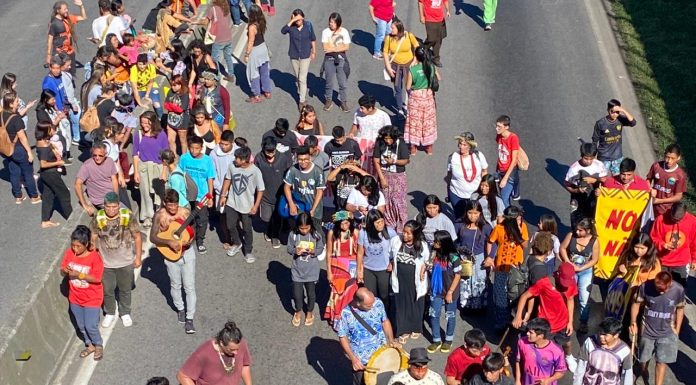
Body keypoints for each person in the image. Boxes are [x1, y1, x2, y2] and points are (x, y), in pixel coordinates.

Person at [90, 192, 142, 328]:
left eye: (114, 207)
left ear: (118, 206)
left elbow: (137, 236)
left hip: (125, 261)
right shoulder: (99, 217)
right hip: (106, 263)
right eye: (108, 207)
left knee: (125, 289)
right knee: (108, 290)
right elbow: (94, 236)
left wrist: (137, 257)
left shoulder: (127, 216)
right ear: (104, 206)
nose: (111, 210)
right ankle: (110, 312)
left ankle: (125, 312)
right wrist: (93, 253)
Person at [150, 189, 198, 334]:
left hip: (187, 254)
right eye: (170, 205)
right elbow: (153, 237)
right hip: (170, 255)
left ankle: (190, 318)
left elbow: (193, 230)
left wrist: (191, 240)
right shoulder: (160, 215)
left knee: (189, 286)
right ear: (165, 203)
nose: (173, 208)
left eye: (175, 205)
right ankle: (180, 308)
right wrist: (168, 242)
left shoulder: (184, 212)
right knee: (175, 284)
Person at [512, 241, 571, 348]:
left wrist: (570, 321)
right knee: (543, 349)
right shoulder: (544, 282)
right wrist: (518, 316)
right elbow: (526, 296)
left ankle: (568, 358)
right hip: (547, 325)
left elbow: (570, 300)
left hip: (563, 323)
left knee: (564, 345)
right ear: (557, 273)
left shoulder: (570, 283)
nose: (565, 285)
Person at [630, 271, 685, 385]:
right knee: (643, 359)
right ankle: (643, 371)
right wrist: (633, 322)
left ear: (670, 284)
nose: (660, 291)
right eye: (658, 288)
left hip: (667, 332)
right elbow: (635, 304)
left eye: (663, 289)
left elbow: (680, 309)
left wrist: (677, 329)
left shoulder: (678, 290)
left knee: (661, 362)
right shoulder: (645, 287)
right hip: (647, 331)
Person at [335, 287, 398, 385]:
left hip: (381, 354)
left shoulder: (377, 303)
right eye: (368, 305)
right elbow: (342, 336)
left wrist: (391, 339)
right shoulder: (346, 314)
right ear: (358, 303)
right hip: (362, 360)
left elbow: (385, 321)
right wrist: (353, 358)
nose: (372, 306)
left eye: (372, 302)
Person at [60, 225, 104, 361]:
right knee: (81, 325)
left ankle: (98, 344)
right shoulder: (69, 254)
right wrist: (65, 271)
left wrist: (79, 275)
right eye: (73, 245)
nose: (75, 249)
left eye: (79, 246)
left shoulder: (94, 257)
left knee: (91, 325)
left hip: (92, 298)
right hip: (75, 298)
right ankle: (89, 344)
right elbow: (62, 270)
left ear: (86, 244)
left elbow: (97, 278)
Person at [484, 205, 528, 331]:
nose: (518, 221)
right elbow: (490, 242)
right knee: (500, 294)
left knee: (515, 293)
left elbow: (525, 244)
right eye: (516, 219)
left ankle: (515, 318)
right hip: (501, 267)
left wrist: (518, 232)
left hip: (516, 268)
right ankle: (501, 321)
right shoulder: (499, 228)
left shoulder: (522, 227)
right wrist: (489, 257)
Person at [220, 147, 265, 263]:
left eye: (237, 158)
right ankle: (237, 243)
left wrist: (255, 206)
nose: (235, 160)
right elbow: (227, 180)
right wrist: (223, 195)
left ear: (245, 160)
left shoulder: (255, 171)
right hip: (232, 203)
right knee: (230, 225)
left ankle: (248, 251)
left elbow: (260, 190)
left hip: (247, 206)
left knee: (247, 229)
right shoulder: (232, 166)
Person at [391, 220, 430, 343]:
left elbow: (428, 260)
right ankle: (404, 330)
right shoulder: (396, 241)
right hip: (400, 278)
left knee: (416, 303)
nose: (405, 235)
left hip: (415, 279)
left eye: (409, 233)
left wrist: (425, 266)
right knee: (402, 304)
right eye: (404, 232)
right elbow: (390, 255)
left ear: (416, 234)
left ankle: (416, 328)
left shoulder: (422, 246)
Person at [177, 321, 253, 385]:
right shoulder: (204, 353)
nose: (236, 352)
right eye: (232, 349)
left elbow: (245, 365)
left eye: (237, 349)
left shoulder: (240, 344)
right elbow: (183, 376)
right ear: (222, 343)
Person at [559, 218, 599, 333]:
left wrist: (581, 268)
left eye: (580, 230)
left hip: (585, 272)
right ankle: (565, 319)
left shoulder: (594, 241)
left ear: (588, 230)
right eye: (577, 230)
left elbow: (594, 259)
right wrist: (568, 262)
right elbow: (562, 248)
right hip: (570, 271)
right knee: (567, 294)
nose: (577, 232)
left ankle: (583, 321)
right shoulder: (571, 235)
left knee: (584, 298)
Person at [179, 136, 216, 253]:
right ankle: (186, 239)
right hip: (187, 195)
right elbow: (179, 175)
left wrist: (210, 196)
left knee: (202, 219)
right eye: (192, 148)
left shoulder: (207, 160)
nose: (194, 151)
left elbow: (210, 178)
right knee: (187, 218)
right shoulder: (184, 158)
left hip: (202, 196)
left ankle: (200, 241)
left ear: (201, 148)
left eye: (197, 148)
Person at [287, 212, 325, 326]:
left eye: (306, 228)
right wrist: (295, 251)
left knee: (311, 294)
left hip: (312, 271)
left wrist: (314, 252)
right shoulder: (293, 235)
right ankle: (298, 311)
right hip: (297, 270)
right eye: (301, 228)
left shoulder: (316, 235)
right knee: (297, 295)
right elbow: (289, 248)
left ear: (311, 225)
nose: (304, 230)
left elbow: (321, 248)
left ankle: (309, 312)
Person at [1, 93, 40, 204]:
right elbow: (22, 138)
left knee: (14, 173)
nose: (19, 103)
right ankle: (34, 196)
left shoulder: (2, 115)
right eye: (17, 101)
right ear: (11, 103)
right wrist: (29, 152)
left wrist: (27, 107)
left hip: (7, 149)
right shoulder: (16, 120)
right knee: (28, 173)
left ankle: (18, 196)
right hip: (19, 149)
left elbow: (16, 114)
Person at [427, 231, 462, 354]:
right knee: (434, 314)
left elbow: (458, 276)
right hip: (436, 290)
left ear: (443, 243)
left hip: (450, 291)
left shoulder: (454, 257)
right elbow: (428, 264)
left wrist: (450, 292)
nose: (434, 243)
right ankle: (436, 340)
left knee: (450, 315)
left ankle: (448, 339)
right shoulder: (434, 253)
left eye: (436, 241)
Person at [255, 136, 293, 248]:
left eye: (273, 151)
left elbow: (289, 174)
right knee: (266, 218)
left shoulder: (283, 158)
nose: (270, 154)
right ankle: (269, 229)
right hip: (265, 195)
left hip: (280, 195)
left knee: (277, 218)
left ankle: (275, 236)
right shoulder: (258, 158)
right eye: (268, 151)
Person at [133, 111, 169, 226]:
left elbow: (166, 155)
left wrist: (164, 171)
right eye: (142, 123)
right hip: (144, 167)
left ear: (153, 122)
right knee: (145, 193)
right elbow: (135, 154)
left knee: (159, 194)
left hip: (158, 167)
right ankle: (148, 216)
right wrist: (136, 172)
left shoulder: (162, 134)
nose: (144, 125)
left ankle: (159, 216)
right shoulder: (138, 134)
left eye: (147, 123)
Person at [573, 317, 633, 385]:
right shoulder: (590, 342)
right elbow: (581, 367)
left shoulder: (624, 351)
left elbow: (627, 376)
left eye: (605, 335)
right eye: (600, 333)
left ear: (616, 335)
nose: (601, 336)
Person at [373, 125, 411, 232]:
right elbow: (376, 161)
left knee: (398, 201)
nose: (388, 141)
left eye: (390, 139)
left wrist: (394, 161)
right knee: (386, 200)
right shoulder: (379, 143)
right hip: (384, 174)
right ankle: (389, 224)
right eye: (386, 139)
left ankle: (402, 225)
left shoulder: (401, 144)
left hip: (398, 175)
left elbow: (406, 160)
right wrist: (381, 178)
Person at [325, 210, 360, 325]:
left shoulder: (355, 232)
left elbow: (360, 253)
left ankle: (350, 318)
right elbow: (329, 253)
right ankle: (337, 317)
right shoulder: (332, 233)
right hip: (337, 266)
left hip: (352, 266)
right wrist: (329, 271)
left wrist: (360, 270)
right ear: (337, 224)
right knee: (337, 293)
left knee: (350, 292)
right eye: (343, 223)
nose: (346, 225)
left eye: (347, 223)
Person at [649, 202, 696, 287]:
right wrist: (663, 245)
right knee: (660, 286)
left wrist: (694, 260)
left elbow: (694, 242)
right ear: (670, 211)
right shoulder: (660, 219)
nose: (676, 221)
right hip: (662, 261)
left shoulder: (693, 221)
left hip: (681, 262)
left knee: (678, 288)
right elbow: (653, 238)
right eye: (673, 219)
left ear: (685, 213)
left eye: (679, 219)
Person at [35, 122, 72, 227]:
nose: (54, 130)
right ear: (46, 131)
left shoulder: (44, 142)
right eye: (52, 129)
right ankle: (72, 218)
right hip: (50, 174)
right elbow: (43, 164)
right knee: (64, 194)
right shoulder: (43, 147)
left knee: (48, 195)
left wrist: (53, 149)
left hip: (47, 174)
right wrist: (58, 163)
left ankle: (45, 220)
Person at [358, 209, 397, 308]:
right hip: (368, 269)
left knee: (384, 296)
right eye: (377, 222)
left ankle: (385, 317)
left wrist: (392, 262)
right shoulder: (363, 233)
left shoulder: (390, 232)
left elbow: (397, 249)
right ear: (371, 224)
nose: (381, 225)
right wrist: (359, 270)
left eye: (382, 221)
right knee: (371, 296)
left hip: (384, 270)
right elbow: (360, 253)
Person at [456, 200, 491, 310]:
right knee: (465, 281)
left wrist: (490, 257)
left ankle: (479, 307)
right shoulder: (459, 224)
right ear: (466, 212)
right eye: (470, 212)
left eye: (476, 213)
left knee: (479, 281)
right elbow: (452, 239)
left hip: (479, 258)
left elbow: (493, 242)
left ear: (480, 213)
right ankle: (466, 306)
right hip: (464, 258)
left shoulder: (485, 227)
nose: (473, 216)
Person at [405, 46, 440, 153]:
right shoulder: (431, 67)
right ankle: (429, 147)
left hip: (416, 98)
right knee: (428, 121)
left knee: (414, 122)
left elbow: (407, 86)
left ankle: (413, 148)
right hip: (428, 96)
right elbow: (439, 78)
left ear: (416, 56)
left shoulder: (413, 70)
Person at [564, 142, 608, 227]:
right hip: (578, 200)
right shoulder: (574, 169)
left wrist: (594, 181)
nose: (588, 161)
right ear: (581, 155)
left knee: (593, 223)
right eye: (586, 158)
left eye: (591, 159)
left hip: (594, 199)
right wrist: (576, 190)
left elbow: (605, 180)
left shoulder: (599, 165)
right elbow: (567, 184)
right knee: (577, 223)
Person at [382, 18, 419, 116]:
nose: (391, 30)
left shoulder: (408, 35)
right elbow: (385, 52)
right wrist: (388, 67)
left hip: (409, 65)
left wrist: (415, 59)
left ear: (399, 28)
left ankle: (411, 106)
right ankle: (399, 109)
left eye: (392, 28)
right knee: (397, 87)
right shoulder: (388, 38)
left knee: (410, 87)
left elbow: (416, 46)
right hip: (395, 66)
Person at [283, 145, 326, 229]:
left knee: (316, 231)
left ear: (310, 157)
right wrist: (291, 204)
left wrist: (313, 209)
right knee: (298, 230)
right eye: (300, 160)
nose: (303, 162)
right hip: (299, 209)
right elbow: (286, 187)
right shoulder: (293, 170)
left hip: (315, 211)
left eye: (305, 159)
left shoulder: (318, 171)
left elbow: (319, 192)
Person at [446, 132, 488, 218]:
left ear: (470, 146)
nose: (461, 147)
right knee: (459, 218)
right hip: (456, 195)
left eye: (464, 145)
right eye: (460, 144)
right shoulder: (453, 157)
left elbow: (484, 171)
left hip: (475, 195)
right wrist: (448, 191)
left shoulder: (478, 155)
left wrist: (485, 189)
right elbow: (449, 175)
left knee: (475, 218)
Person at [281, 9, 317, 110]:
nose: (298, 22)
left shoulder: (308, 26)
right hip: (294, 55)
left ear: (303, 18)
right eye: (296, 20)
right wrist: (292, 21)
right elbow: (283, 31)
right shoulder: (291, 27)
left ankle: (302, 100)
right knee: (298, 77)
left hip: (305, 55)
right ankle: (302, 93)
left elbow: (313, 39)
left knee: (302, 78)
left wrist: (314, 51)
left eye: (299, 20)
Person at [515, 318, 568, 385]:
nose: (527, 333)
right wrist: (517, 380)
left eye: (531, 332)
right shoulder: (522, 342)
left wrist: (549, 380)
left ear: (541, 336)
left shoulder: (556, 351)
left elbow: (561, 371)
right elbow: (518, 361)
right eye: (528, 331)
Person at [592, 99, 637, 175]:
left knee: (618, 179)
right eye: (612, 111)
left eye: (617, 112)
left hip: (617, 157)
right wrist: (594, 155)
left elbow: (633, 123)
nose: (615, 114)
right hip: (604, 157)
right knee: (601, 178)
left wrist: (623, 110)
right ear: (608, 110)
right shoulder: (600, 123)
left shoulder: (620, 119)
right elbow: (595, 139)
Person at [75, 143, 119, 216]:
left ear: (106, 154)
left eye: (100, 155)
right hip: (101, 201)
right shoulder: (87, 166)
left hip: (112, 198)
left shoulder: (110, 161)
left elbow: (114, 180)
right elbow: (77, 185)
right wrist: (85, 205)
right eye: (94, 155)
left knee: (128, 215)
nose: (97, 158)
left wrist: (116, 198)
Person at [647, 143, 687, 218]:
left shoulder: (680, 175)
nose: (669, 161)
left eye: (673, 158)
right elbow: (648, 179)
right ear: (664, 154)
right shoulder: (656, 166)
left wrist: (659, 201)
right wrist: (650, 189)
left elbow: (678, 196)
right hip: (650, 207)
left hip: (666, 211)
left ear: (678, 158)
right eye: (667, 157)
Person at [321, 12, 351, 112]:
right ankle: (328, 100)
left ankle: (343, 102)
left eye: (332, 23)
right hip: (329, 59)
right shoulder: (325, 32)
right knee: (329, 82)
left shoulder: (344, 32)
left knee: (342, 82)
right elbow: (326, 48)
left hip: (341, 59)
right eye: (330, 22)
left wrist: (332, 49)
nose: (330, 24)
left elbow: (346, 47)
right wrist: (338, 48)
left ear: (338, 23)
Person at [46, 0, 86, 73]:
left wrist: (81, 6)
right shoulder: (54, 23)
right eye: (64, 9)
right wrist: (49, 55)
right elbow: (50, 38)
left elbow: (83, 17)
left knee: (71, 73)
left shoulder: (68, 18)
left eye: (67, 8)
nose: (67, 11)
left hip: (70, 52)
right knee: (59, 73)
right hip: (60, 54)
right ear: (58, 10)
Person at [243, 4, 273, 103]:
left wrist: (247, 54)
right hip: (263, 48)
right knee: (264, 72)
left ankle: (257, 95)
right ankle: (267, 91)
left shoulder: (252, 27)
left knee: (254, 73)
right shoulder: (262, 22)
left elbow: (251, 41)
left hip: (255, 51)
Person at [494, 115, 521, 206]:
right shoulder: (499, 137)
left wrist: (505, 178)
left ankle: (507, 218)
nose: (497, 129)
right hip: (500, 170)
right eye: (496, 126)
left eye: (500, 127)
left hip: (509, 174)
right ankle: (510, 215)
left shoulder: (513, 138)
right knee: (504, 196)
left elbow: (514, 160)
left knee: (503, 198)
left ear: (506, 127)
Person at [206, 0, 236, 82]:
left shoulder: (213, 9)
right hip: (228, 36)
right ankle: (231, 75)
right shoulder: (225, 6)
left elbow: (206, 21)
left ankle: (217, 77)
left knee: (214, 59)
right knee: (228, 57)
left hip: (219, 38)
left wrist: (195, 22)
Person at [163, 74, 190, 154]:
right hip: (170, 120)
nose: (172, 87)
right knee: (170, 140)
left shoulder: (185, 95)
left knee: (183, 141)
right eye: (172, 85)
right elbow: (165, 105)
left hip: (182, 122)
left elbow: (181, 109)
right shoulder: (170, 92)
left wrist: (171, 106)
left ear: (180, 84)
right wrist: (173, 107)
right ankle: (173, 157)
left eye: (175, 85)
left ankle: (184, 158)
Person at [418, 0, 449, 67]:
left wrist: (447, 10)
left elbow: (445, 1)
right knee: (431, 38)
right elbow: (420, 2)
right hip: (429, 18)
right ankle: (422, 49)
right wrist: (421, 16)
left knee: (439, 39)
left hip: (440, 19)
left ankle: (436, 58)